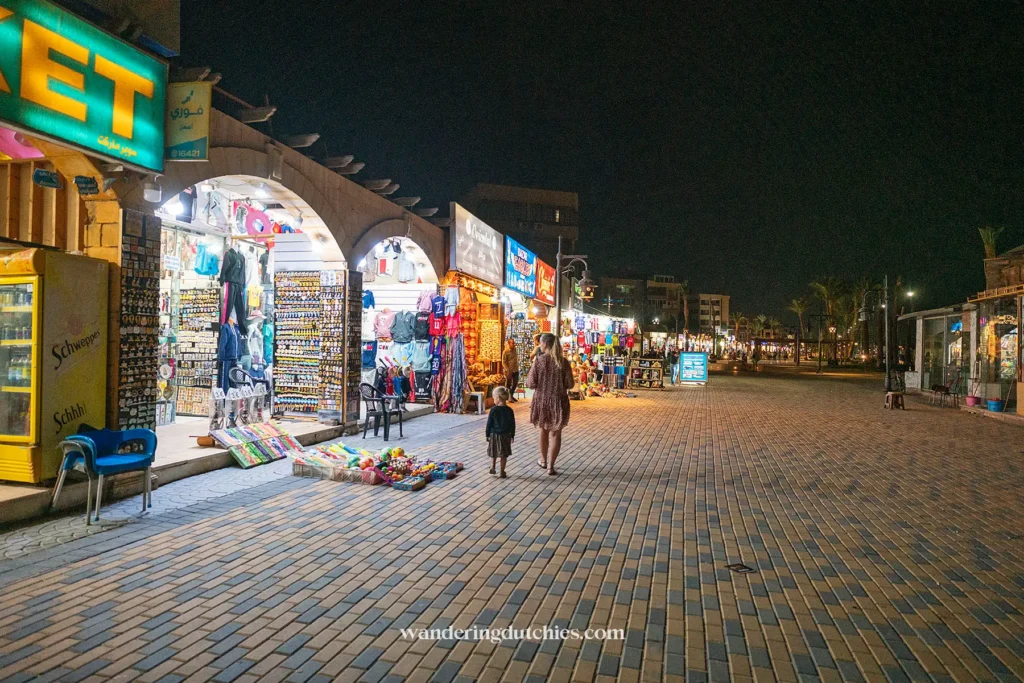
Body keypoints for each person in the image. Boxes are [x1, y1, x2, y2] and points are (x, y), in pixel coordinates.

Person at [527, 333, 574, 475]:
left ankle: (543, 460)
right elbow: (570, 384)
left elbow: (530, 383)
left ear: (545, 344)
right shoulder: (563, 362)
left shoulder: (539, 361)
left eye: (540, 343)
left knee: (543, 430)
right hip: (559, 401)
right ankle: (551, 467)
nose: (540, 346)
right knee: (556, 433)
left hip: (542, 400)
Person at [485, 386, 515, 478]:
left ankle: (493, 467)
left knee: (494, 452)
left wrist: (487, 434)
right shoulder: (509, 410)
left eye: (494, 398)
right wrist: (512, 435)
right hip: (506, 435)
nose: (494, 400)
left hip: (494, 435)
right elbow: (512, 424)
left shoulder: (493, 410)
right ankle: (502, 471)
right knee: (504, 454)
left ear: (498, 398)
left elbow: (489, 423)